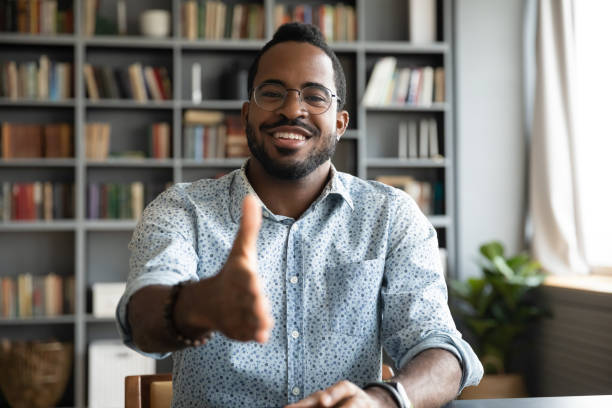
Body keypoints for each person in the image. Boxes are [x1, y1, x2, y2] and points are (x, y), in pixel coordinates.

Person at [116, 22, 483, 408]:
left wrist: (383, 402)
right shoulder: (183, 209)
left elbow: (441, 349)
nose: (292, 109)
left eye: (315, 96)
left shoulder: (390, 216)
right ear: (246, 115)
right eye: (272, 93)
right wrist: (199, 304)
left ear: (340, 123)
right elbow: (142, 322)